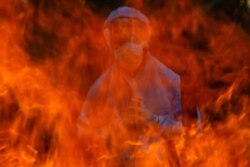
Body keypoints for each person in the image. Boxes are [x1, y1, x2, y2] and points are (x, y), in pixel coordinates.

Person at [77, 6, 182, 166]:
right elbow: (84, 134)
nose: (129, 41)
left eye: (135, 35)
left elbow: (188, 131)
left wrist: (152, 120)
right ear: (111, 41)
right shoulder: (100, 87)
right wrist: (119, 127)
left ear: (145, 37)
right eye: (122, 36)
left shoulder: (170, 80)